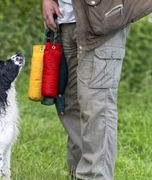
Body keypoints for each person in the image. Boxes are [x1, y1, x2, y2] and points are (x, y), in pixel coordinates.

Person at [42, 0, 130, 179]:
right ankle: (77, 173)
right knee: (70, 103)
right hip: (65, 19)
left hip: (103, 17)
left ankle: (95, 176)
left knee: (96, 104)